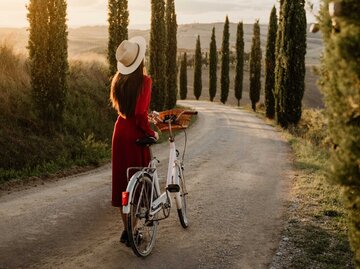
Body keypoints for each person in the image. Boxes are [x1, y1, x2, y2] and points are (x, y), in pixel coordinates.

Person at [110, 36, 158, 246]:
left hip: (120, 132)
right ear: (141, 61)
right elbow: (139, 114)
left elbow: (129, 111)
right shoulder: (145, 81)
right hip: (135, 136)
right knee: (138, 183)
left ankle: (127, 229)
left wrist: (145, 119)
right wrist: (152, 132)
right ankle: (132, 231)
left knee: (124, 183)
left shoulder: (118, 79)